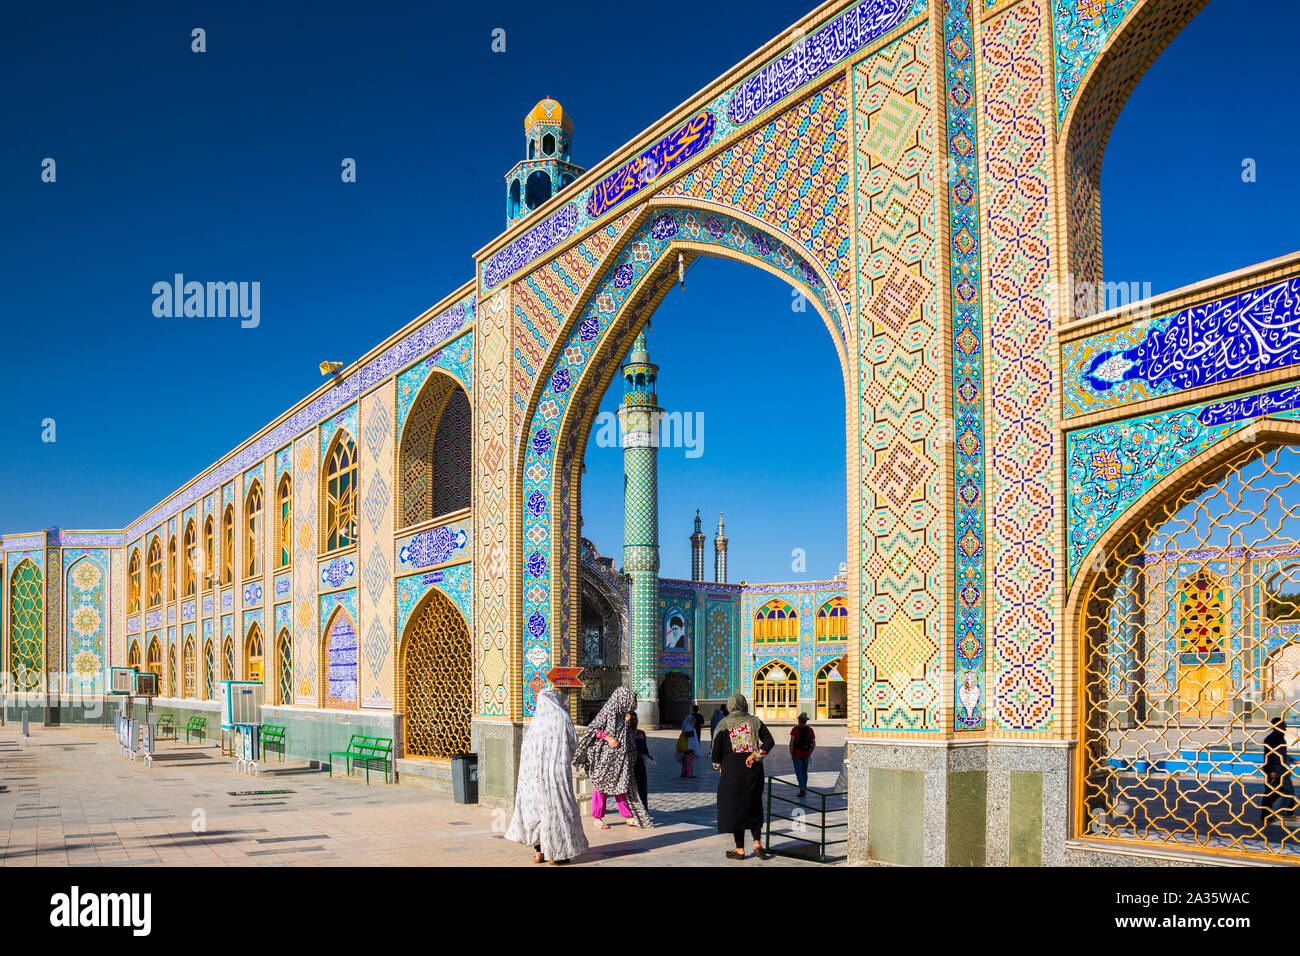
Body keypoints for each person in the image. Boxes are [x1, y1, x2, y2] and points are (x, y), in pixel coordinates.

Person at [504, 684, 589, 864]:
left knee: (539, 811)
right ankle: (558, 854)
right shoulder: (563, 718)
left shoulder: (536, 720)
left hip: (534, 776)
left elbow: (526, 749)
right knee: (559, 810)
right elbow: (573, 745)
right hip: (557, 775)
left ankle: (540, 852)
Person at [572, 687, 653, 830]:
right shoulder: (607, 712)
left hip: (619, 759)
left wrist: (627, 724)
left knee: (620, 786)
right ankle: (597, 818)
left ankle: (628, 816)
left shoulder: (623, 715)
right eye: (628, 701)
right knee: (601, 787)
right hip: (604, 758)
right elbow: (593, 729)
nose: (630, 705)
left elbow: (625, 735)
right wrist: (608, 738)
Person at [711, 693, 775, 860]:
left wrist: (718, 765)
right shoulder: (755, 722)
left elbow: (716, 752)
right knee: (753, 804)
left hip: (732, 773)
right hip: (753, 770)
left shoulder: (723, 724)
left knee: (735, 809)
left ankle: (739, 849)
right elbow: (769, 741)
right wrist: (756, 755)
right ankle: (756, 843)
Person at [1262, 716, 1295, 826]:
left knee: (1282, 791)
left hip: (1282, 769)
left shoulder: (1280, 738)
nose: (1285, 726)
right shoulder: (1271, 739)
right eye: (1283, 724)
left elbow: (1282, 754)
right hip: (1275, 770)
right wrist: (1271, 770)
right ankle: (1271, 814)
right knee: (1274, 792)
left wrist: (1293, 760)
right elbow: (1270, 756)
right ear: (1277, 726)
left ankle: (1287, 813)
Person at [629, 711, 653, 808]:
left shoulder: (641, 733)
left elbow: (645, 748)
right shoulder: (626, 734)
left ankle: (644, 809)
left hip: (640, 764)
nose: (634, 722)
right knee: (632, 790)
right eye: (632, 720)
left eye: (635, 719)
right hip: (630, 765)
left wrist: (648, 755)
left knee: (642, 788)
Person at [790, 713, 816, 796]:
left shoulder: (795, 729)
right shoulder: (810, 730)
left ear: (799, 721)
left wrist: (792, 753)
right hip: (806, 753)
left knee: (799, 772)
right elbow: (814, 743)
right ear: (806, 721)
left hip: (797, 754)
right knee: (804, 772)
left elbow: (791, 743)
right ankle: (804, 788)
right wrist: (810, 752)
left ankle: (802, 790)